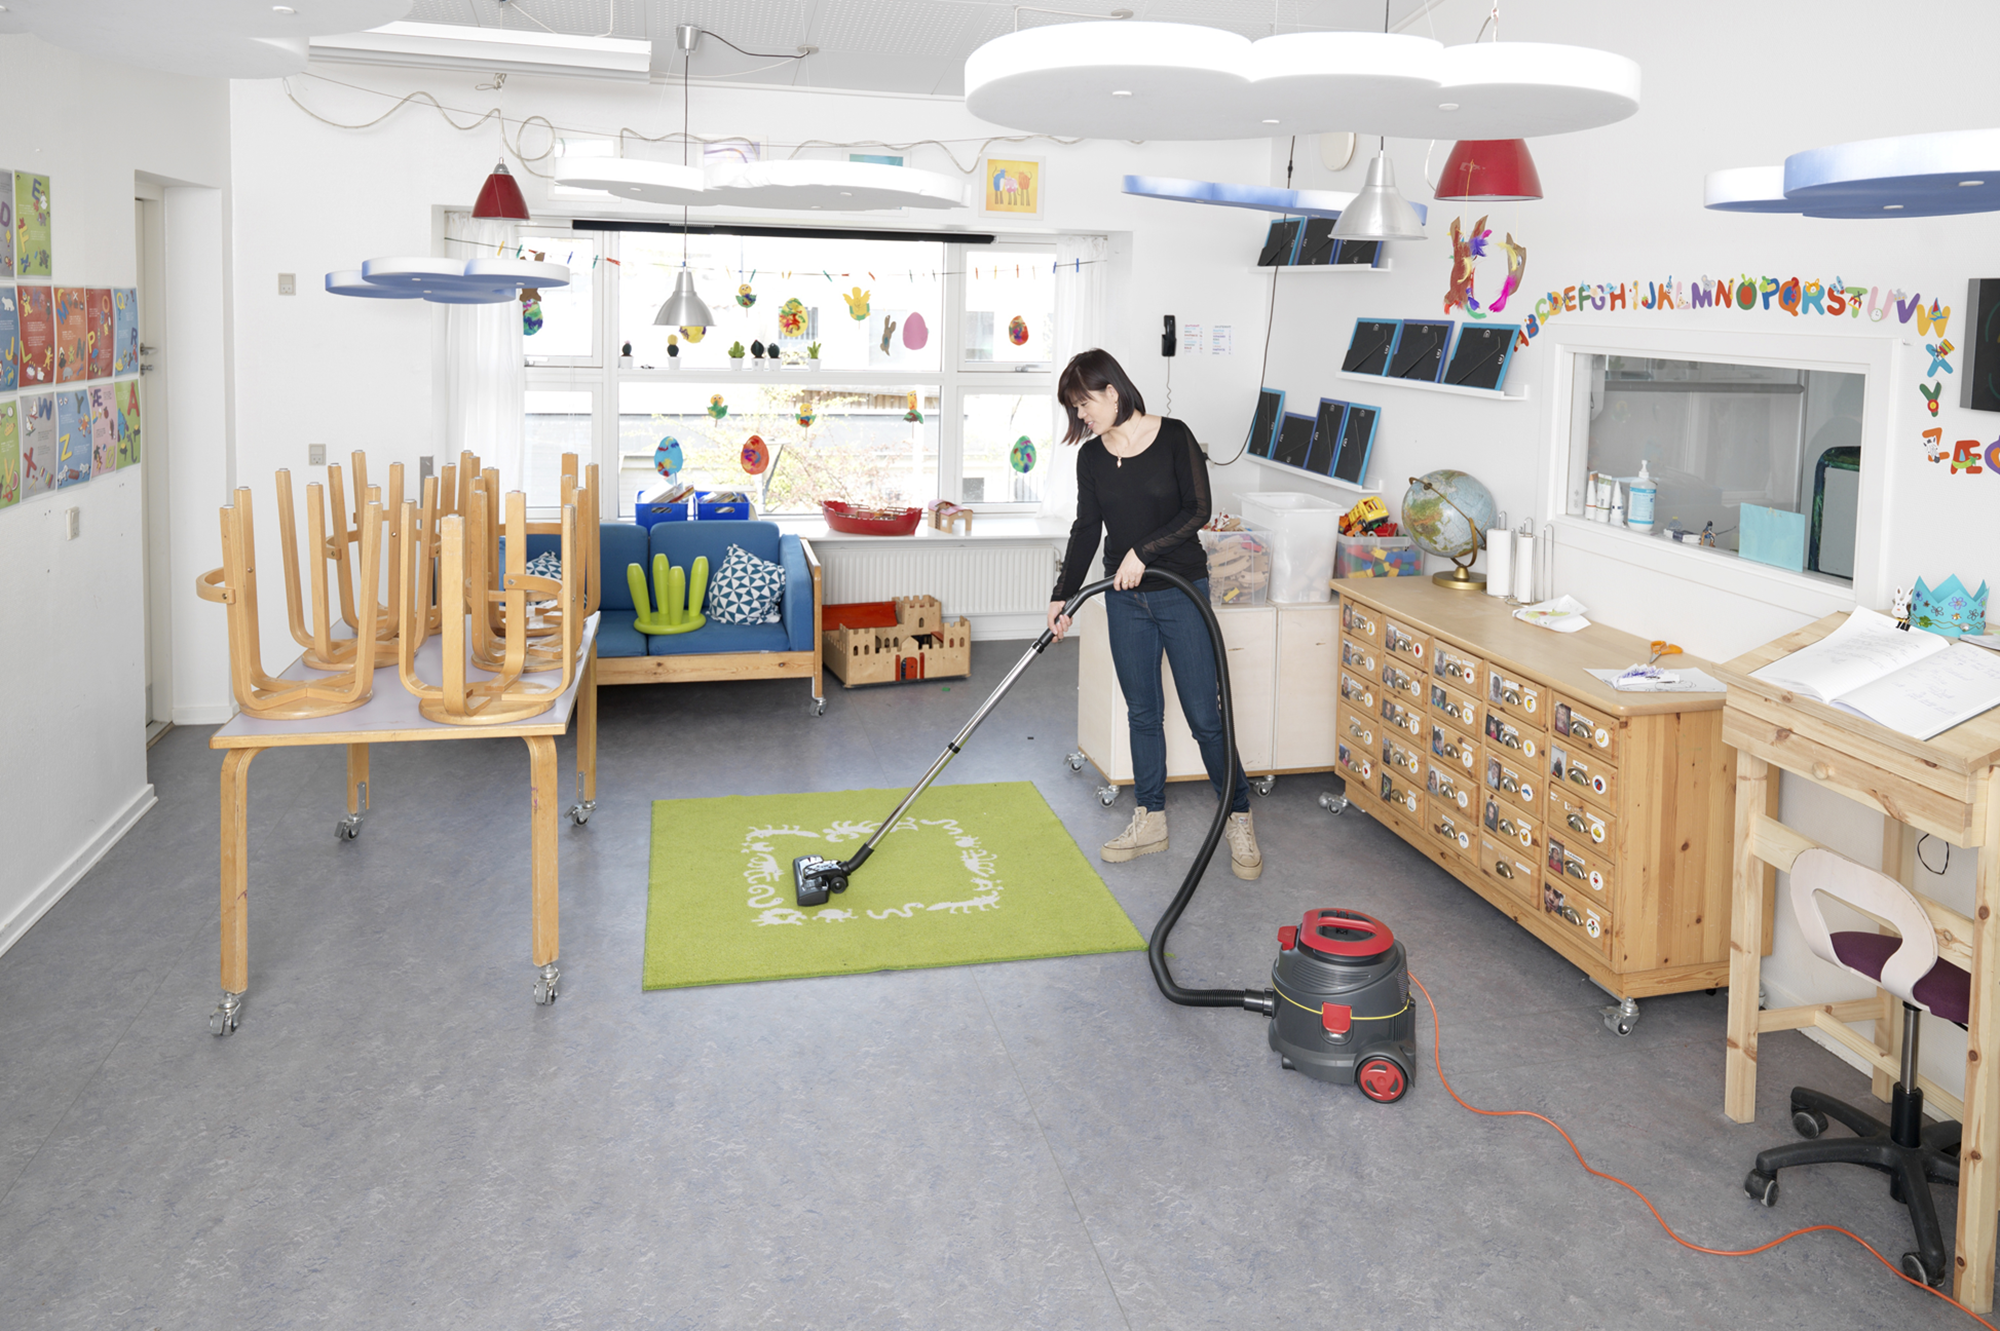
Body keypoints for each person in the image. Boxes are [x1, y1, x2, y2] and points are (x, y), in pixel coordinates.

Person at [1045, 348, 1259, 879]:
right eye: (1074, 408)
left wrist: (1143, 552)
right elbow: (1086, 529)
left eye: (1084, 403)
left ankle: (1238, 815)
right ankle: (1151, 819)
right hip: (1126, 600)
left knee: (1205, 716)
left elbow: (1198, 510)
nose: (1081, 415)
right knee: (1142, 713)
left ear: (1111, 390)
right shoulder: (1092, 458)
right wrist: (1062, 594)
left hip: (1182, 591)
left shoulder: (1174, 437)